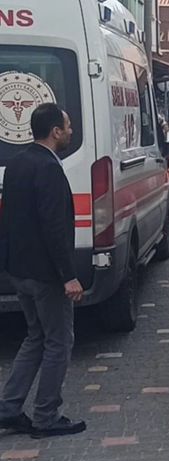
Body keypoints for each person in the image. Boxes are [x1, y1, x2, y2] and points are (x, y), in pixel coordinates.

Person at [0, 103, 86, 439]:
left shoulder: (18, 163)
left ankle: (8, 408)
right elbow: (54, 227)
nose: (70, 131)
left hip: (19, 270)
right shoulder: (49, 169)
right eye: (67, 126)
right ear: (55, 131)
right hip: (46, 275)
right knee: (59, 341)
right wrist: (68, 275)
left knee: (35, 337)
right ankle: (46, 415)